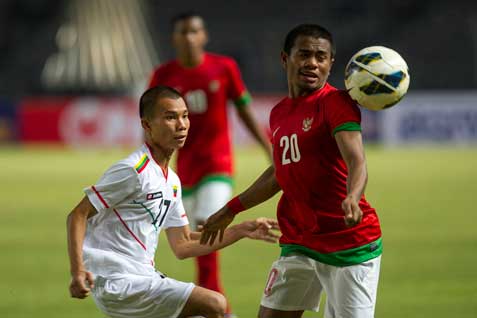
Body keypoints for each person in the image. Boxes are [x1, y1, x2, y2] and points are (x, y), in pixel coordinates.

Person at [201, 24, 383, 318]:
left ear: (330, 64)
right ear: (286, 58)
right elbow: (278, 173)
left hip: (348, 243)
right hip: (300, 241)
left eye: (321, 57)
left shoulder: (336, 103)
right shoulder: (279, 113)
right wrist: (231, 208)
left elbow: (357, 160)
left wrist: (353, 195)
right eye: (305, 54)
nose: (313, 62)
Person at [66, 86, 279, 318]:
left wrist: (242, 229)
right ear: (147, 125)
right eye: (170, 117)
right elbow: (77, 215)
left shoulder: (172, 182)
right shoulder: (133, 171)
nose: (182, 125)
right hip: (119, 282)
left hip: (144, 278)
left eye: (185, 116)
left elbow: (184, 244)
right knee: (215, 304)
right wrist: (78, 271)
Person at [147, 12, 272, 314]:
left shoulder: (224, 68)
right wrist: (154, 165)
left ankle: (215, 306)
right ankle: (216, 306)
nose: (189, 37)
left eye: (194, 31)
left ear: (204, 36)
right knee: (192, 242)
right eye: (183, 32)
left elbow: (243, 110)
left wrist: (268, 146)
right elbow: (151, 126)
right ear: (174, 38)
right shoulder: (163, 75)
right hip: (182, 170)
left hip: (217, 165)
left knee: (208, 222)